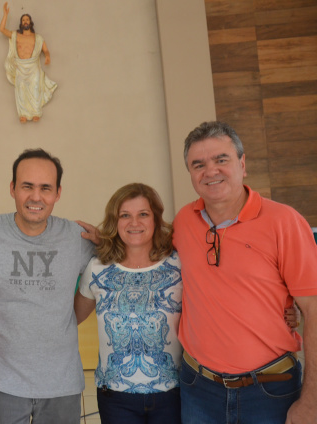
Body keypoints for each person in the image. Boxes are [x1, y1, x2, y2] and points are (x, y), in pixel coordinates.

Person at [174, 121, 317, 423]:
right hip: (197, 389)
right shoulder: (184, 221)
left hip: (269, 393)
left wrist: (312, 401)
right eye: (198, 164)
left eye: (221, 160)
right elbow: (140, 240)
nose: (210, 171)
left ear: (242, 164)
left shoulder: (284, 222)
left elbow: (313, 309)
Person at [0, 148, 96, 424]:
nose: (36, 197)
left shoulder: (76, 237)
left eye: (45, 188)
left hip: (61, 385)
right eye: (27, 186)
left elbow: (112, 263)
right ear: (12, 188)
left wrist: (107, 236)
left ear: (58, 193)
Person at [74, 183, 182, 424]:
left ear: (155, 218)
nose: (134, 223)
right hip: (115, 396)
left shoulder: (178, 264)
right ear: (115, 221)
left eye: (143, 214)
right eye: (125, 215)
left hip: (172, 393)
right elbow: (72, 317)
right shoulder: (97, 268)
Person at [0, 2, 57, 123]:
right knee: (21, 88)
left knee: (35, 87)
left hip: (33, 67)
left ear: (30, 23)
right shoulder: (16, 35)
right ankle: (23, 114)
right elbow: (2, 29)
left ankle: (36, 112)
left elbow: (45, 50)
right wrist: (5, 15)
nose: (25, 22)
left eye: (27, 20)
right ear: (21, 23)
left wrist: (47, 56)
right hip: (20, 66)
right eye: (23, 20)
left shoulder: (38, 38)